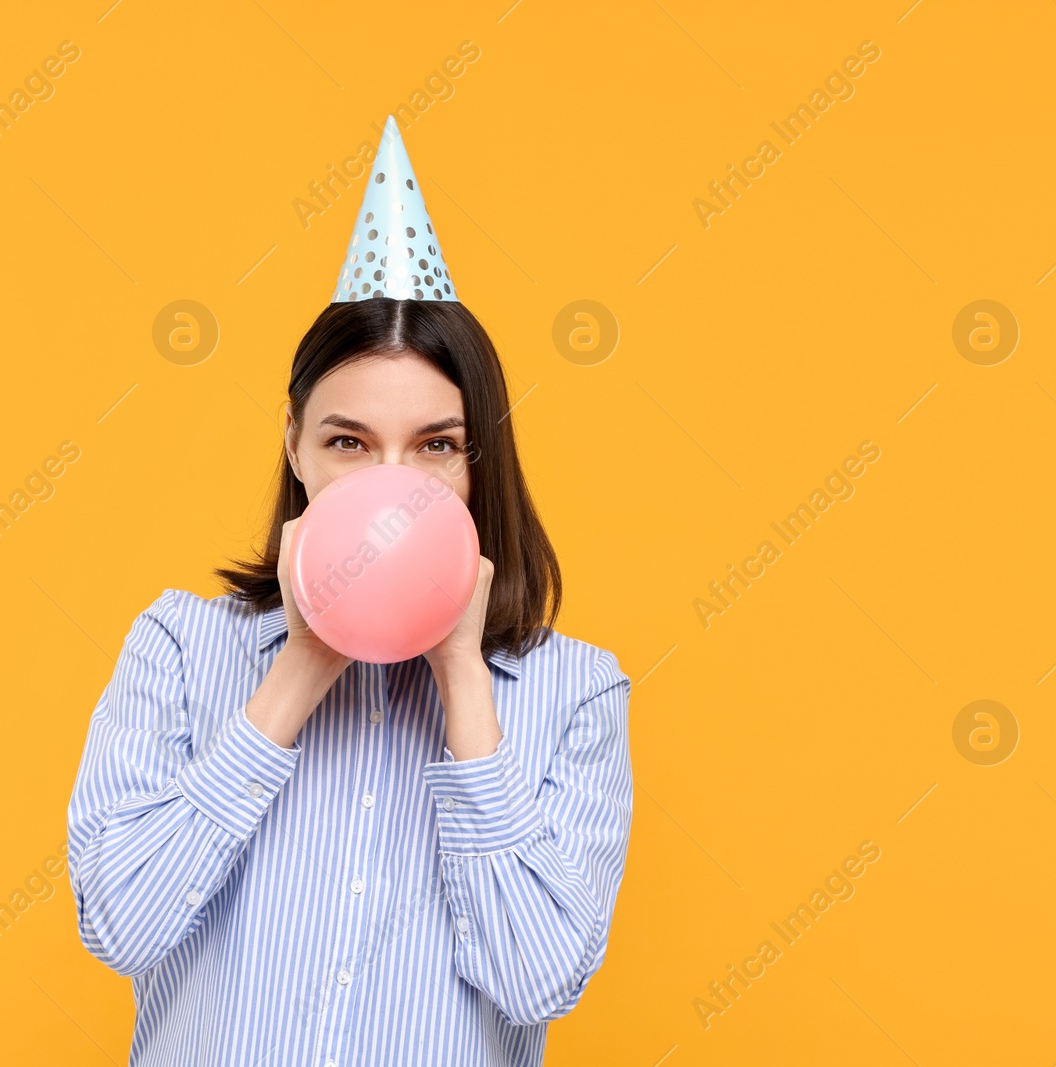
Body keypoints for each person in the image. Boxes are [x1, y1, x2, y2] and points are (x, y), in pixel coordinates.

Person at [66, 116, 633, 1067]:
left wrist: (462, 680)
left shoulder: (576, 692)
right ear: (293, 442)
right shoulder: (177, 647)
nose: (391, 485)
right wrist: (302, 664)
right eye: (348, 442)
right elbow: (120, 924)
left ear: (477, 462)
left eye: (435, 446)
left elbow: (540, 980)